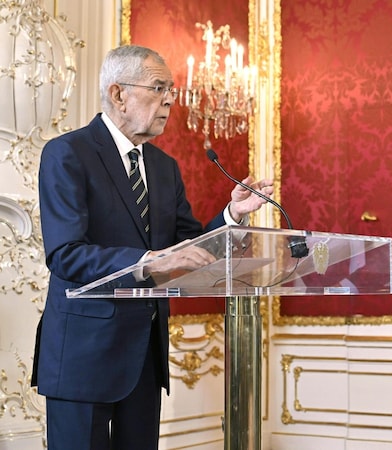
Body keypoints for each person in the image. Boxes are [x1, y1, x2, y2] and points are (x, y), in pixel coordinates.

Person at [33, 45, 274, 450]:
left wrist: (233, 214)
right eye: (158, 87)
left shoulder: (164, 167)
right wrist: (149, 261)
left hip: (144, 356)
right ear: (118, 94)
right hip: (83, 354)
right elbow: (66, 254)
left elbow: (190, 247)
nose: (168, 100)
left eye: (172, 90)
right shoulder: (67, 153)